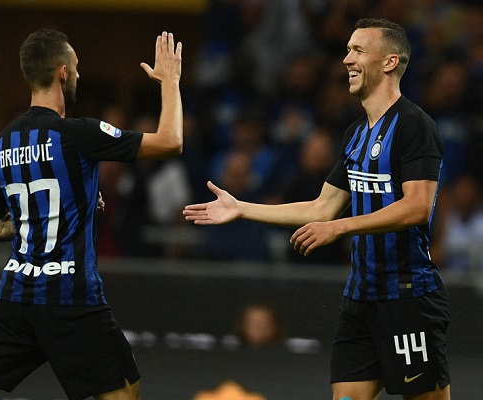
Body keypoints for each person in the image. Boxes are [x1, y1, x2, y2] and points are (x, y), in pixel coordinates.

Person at [184, 18, 450, 400]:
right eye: (347, 50)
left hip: (408, 297)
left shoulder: (414, 125)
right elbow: (322, 208)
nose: (347, 59)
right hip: (360, 297)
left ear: (390, 62)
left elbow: (417, 207)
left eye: (358, 50)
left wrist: (341, 227)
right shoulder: (355, 134)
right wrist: (242, 208)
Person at [0, 29, 182, 400]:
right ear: (63, 72)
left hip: (15, 297)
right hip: (71, 297)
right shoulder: (78, 134)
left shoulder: (1, 144)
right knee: (124, 391)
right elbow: (170, 142)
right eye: (77, 67)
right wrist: (171, 82)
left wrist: (52, 211)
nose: (79, 74)